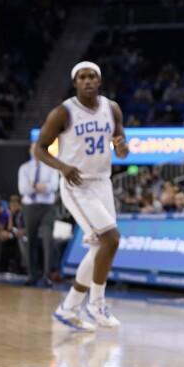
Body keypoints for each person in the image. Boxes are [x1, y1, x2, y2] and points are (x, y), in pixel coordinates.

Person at [35, 61, 129, 331]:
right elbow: (39, 148)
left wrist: (122, 149)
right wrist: (62, 167)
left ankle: (68, 308)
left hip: (103, 183)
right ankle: (96, 304)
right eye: (82, 77)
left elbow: (122, 149)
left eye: (92, 76)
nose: (87, 81)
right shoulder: (63, 112)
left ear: (99, 81)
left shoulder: (112, 109)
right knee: (110, 239)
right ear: (75, 82)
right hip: (77, 184)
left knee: (101, 247)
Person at [17, 143, 60, 286]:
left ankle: (47, 276)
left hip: (47, 207)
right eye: (33, 149)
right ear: (30, 151)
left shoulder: (52, 166)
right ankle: (32, 275)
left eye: (38, 149)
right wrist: (40, 186)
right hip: (30, 207)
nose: (35, 152)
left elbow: (53, 186)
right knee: (31, 241)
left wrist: (34, 186)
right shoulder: (24, 168)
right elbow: (23, 190)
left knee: (48, 240)